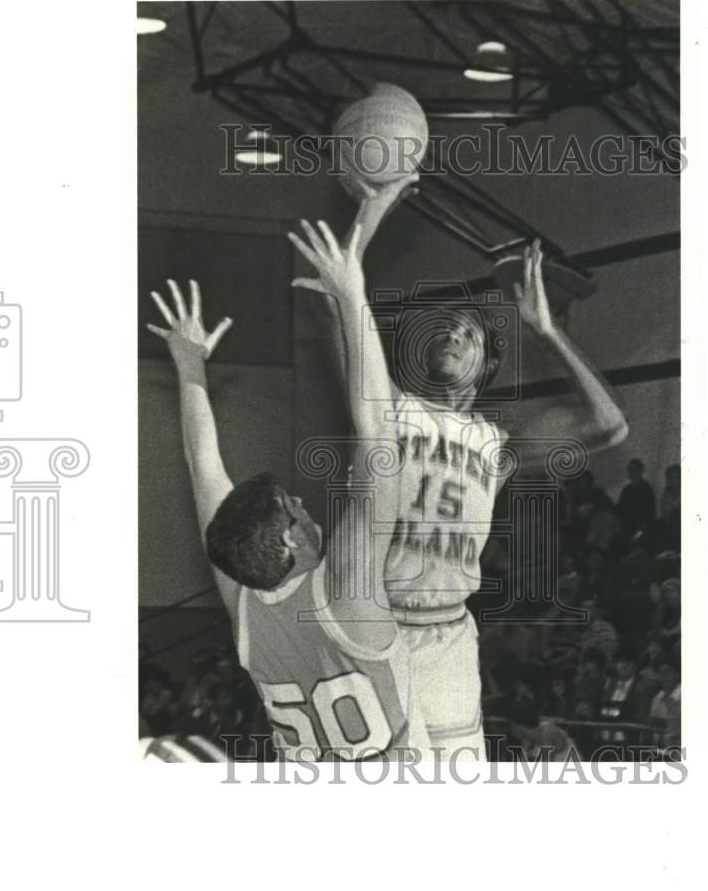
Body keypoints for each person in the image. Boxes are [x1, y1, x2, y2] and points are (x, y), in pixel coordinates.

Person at [315, 177, 629, 759]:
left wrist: (548, 330)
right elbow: (339, 315)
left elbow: (610, 426)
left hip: (451, 636)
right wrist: (367, 217)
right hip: (381, 627)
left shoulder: (496, 444)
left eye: (470, 335)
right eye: (450, 328)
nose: (455, 334)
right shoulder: (393, 410)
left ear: (484, 366)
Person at [146, 225, 430, 762]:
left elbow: (201, 465)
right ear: (294, 540)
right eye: (293, 508)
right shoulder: (347, 590)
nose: (302, 504)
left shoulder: (244, 604)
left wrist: (188, 367)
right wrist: (352, 294)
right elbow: (377, 430)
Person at [617, 458, 656, 545]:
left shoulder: (647, 488)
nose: (633, 473)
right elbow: (619, 509)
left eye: (635, 470)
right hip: (627, 525)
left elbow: (649, 512)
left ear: (641, 471)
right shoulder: (626, 490)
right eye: (631, 470)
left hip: (642, 525)